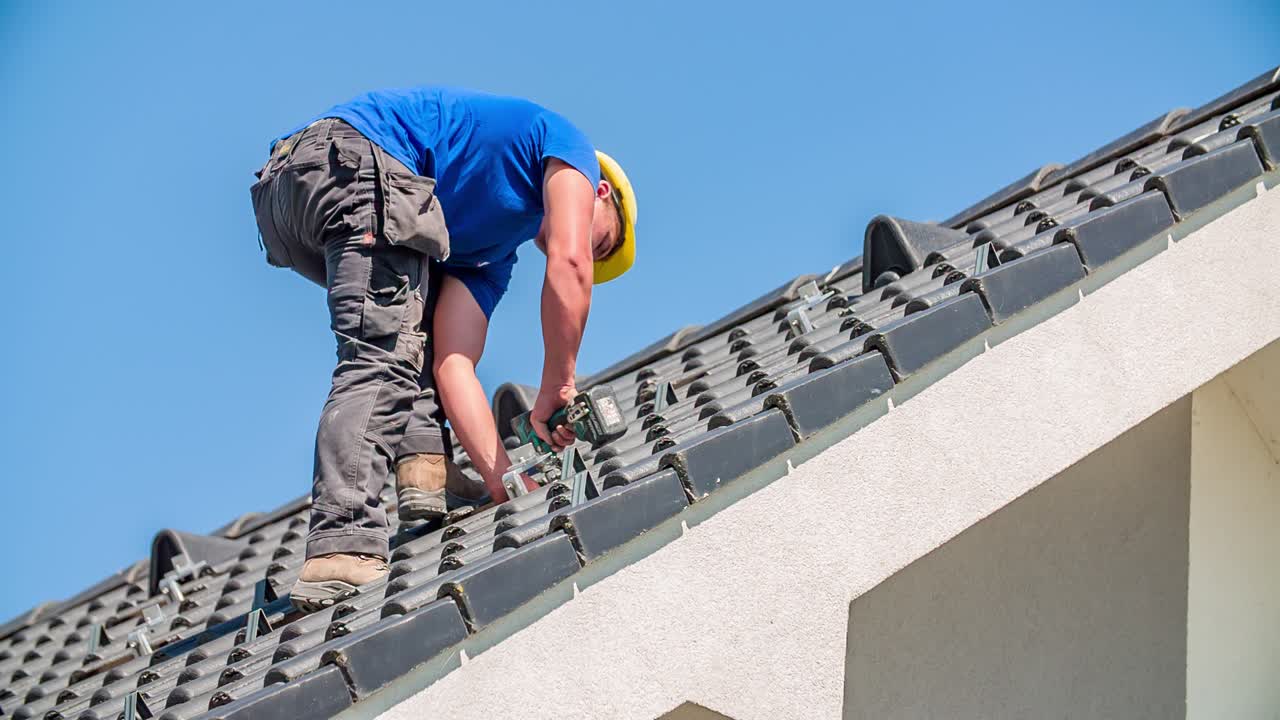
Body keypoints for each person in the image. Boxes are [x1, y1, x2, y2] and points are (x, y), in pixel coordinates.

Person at [249, 87, 637, 611]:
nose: (588, 251)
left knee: (409, 328)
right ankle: (341, 545)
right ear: (601, 192)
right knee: (380, 356)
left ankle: (424, 467)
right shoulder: (570, 147)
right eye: (601, 242)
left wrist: (504, 480)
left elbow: (455, 365)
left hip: (295, 197)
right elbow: (569, 264)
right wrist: (559, 383)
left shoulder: (490, 257)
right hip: (351, 158)